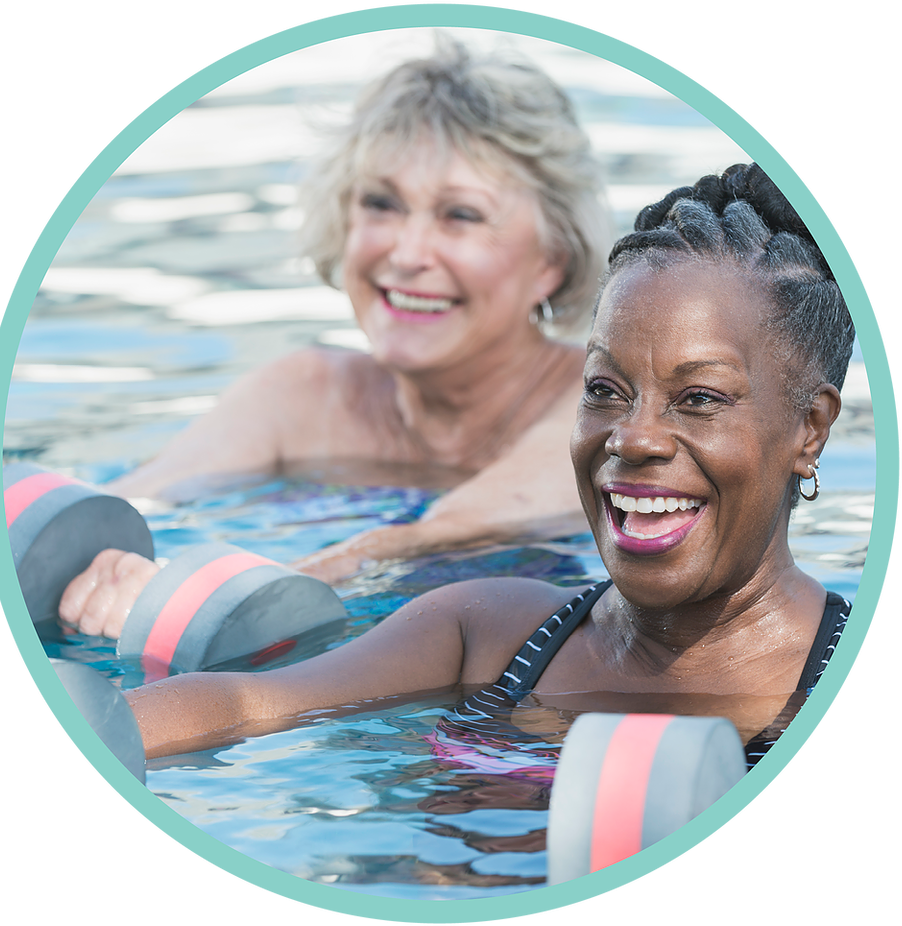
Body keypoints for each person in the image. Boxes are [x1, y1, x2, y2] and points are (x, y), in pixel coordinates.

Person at [120, 163, 854, 772]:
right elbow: (247, 705)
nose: (634, 439)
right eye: (605, 390)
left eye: (698, 399)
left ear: (810, 429)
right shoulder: (482, 634)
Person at [58, 36, 612, 638]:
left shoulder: (604, 402)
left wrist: (220, 601)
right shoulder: (304, 392)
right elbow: (129, 502)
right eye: (381, 204)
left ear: (551, 260)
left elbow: (436, 537)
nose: (406, 253)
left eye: (461, 215)